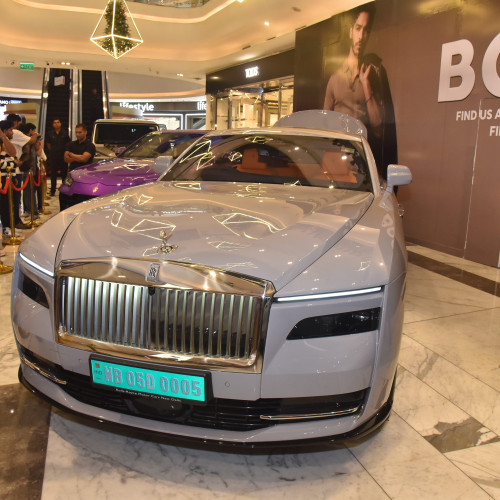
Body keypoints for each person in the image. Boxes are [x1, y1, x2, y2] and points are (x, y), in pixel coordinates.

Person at [323, 5, 397, 178]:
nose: (361, 36)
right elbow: (324, 125)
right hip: (336, 162)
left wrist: (365, 84)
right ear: (350, 31)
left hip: (362, 164)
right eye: (358, 28)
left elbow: (378, 127)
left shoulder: (374, 76)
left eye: (366, 30)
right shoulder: (334, 78)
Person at [0, 120, 30, 238]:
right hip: (2, 179)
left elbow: (12, 153)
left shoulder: (4, 142)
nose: (12, 132)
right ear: (5, 130)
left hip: (7, 178)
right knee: (4, 205)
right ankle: (6, 227)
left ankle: (9, 226)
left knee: (9, 204)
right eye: (10, 130)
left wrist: (12, 177)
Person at [60, 123, 96, 210]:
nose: (77, 134)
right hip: (72, 174)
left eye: (80, 132)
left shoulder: (90, 145)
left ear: (85, 132)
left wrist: (71, 154)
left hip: (85, 175)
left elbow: (84, 159)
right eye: (76, 132)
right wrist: (78, 157)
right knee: (64, 195)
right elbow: (66, 159)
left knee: (81, 198)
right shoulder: (71, 144)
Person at [45, 118, 70, 196]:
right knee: (53, 174)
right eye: (55, 122)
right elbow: (48, 144)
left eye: (58, 122)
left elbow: (68, 143)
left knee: (64, 173)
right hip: (53, 156)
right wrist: (52, 151)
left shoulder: (65, 133)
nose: (56, 124)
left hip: (63, 156)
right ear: (53, 124)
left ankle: (64, 190)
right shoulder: (50, 133)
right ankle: (53, 190)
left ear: (60, 123)